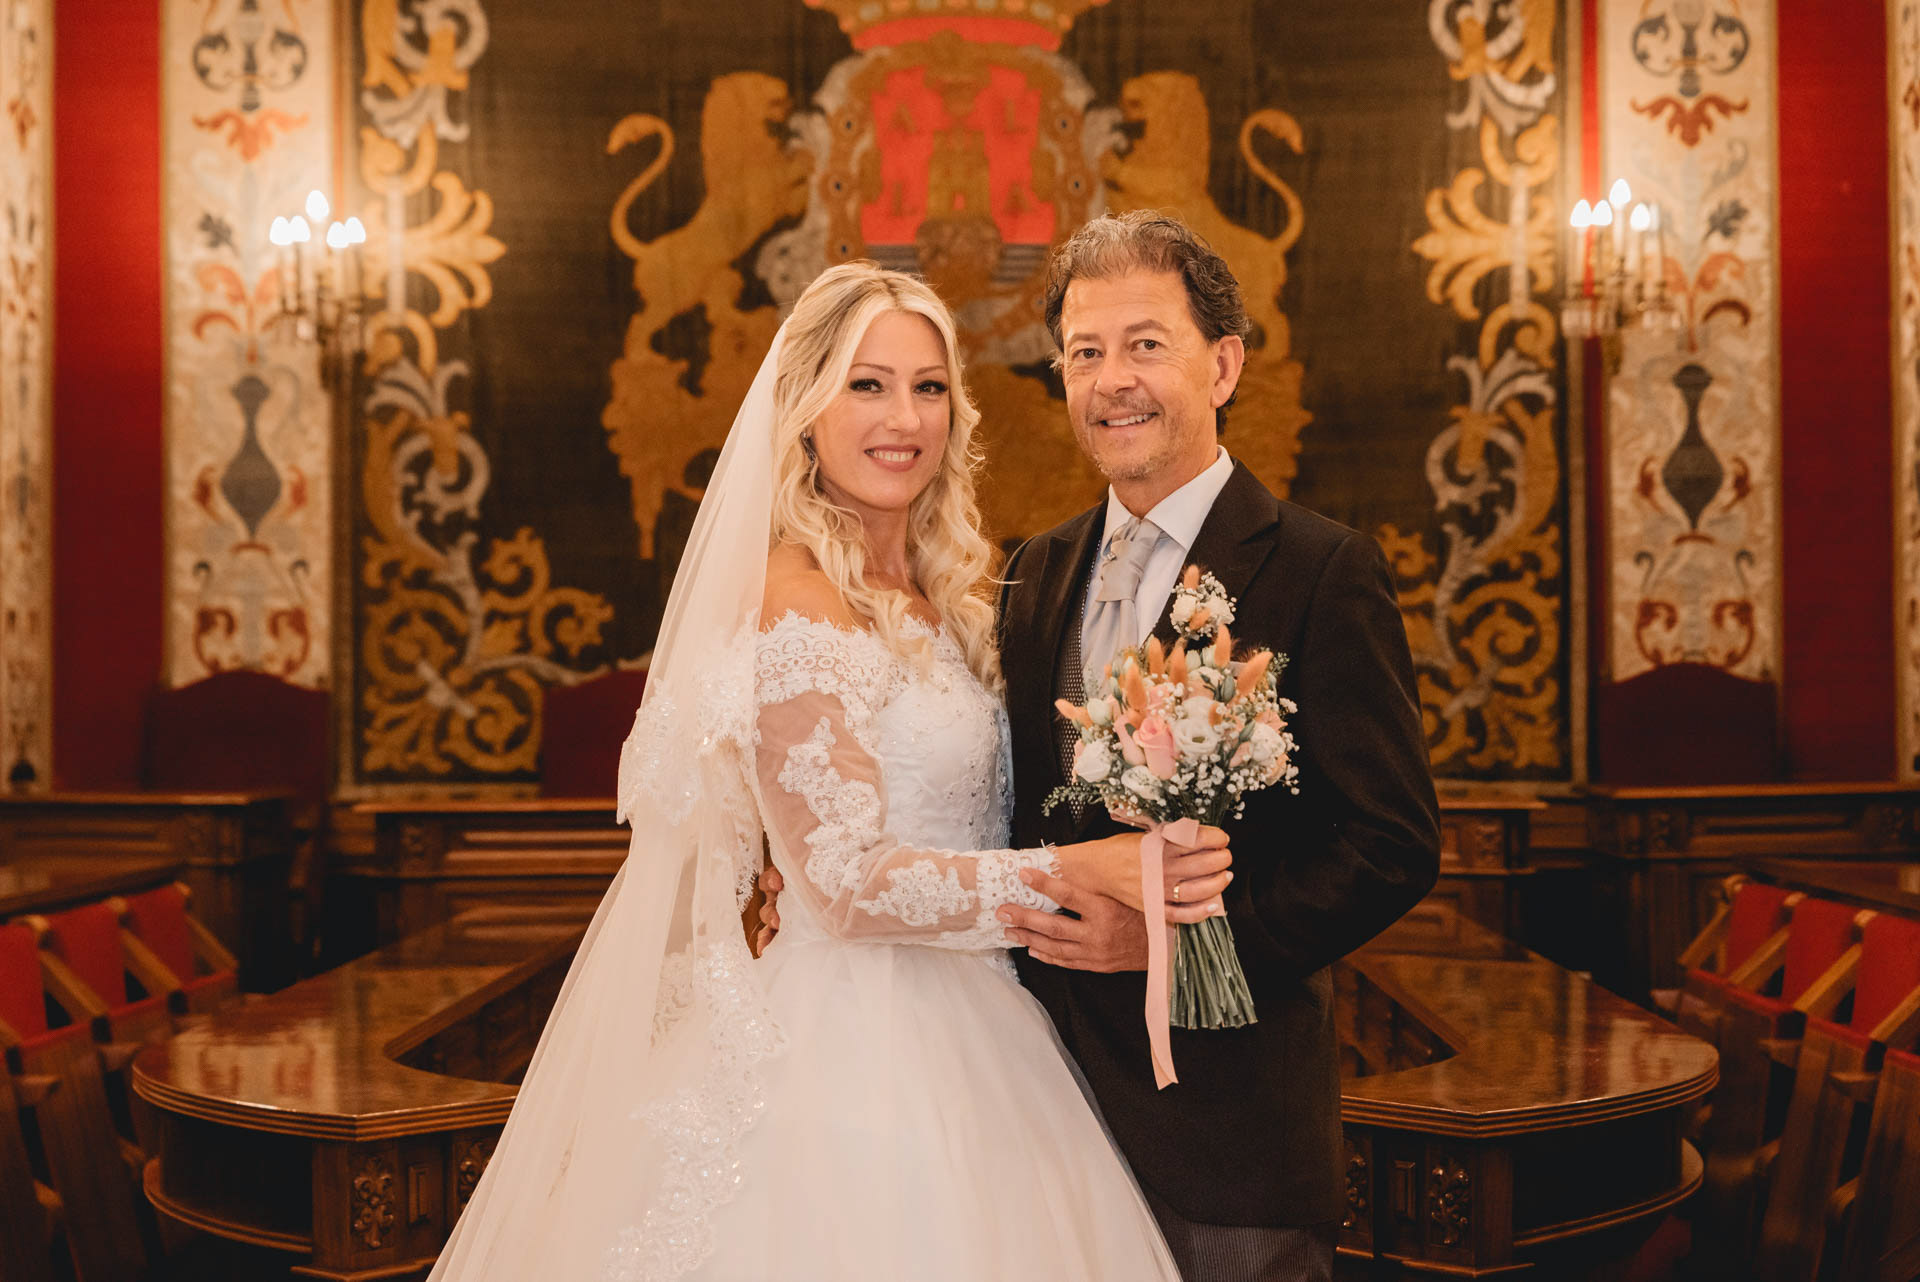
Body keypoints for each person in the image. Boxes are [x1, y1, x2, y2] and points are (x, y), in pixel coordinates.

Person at [427, 261, 1237, 1282]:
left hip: (990, 1027)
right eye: (867, 383)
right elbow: (846, 886)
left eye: (928, 386)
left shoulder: (957, 600)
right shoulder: (796, 599)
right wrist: (1085, 873)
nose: (903, 416)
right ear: (805, 407)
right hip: (848, 1058)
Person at [765, 212, 1442, 1281]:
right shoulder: (1032, 574)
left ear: (1222, 365)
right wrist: (798, 858)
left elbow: (1390, 846)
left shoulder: (1320, 571)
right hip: (1025, 1111)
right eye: (1084, 352)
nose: (1111, 380)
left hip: (1226, 1140)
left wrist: (1178, 949)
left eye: (1144, 345)